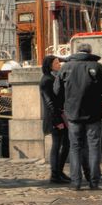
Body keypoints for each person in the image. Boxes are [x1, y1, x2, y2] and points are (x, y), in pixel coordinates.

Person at [55, 43, 102, 191]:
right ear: (90, 52)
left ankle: (76, 182)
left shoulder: (66, 67)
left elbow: (57, 90)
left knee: (75, 147)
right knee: (94, 147)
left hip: (73, 113)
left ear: (76, 52)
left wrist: (65, 103)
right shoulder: (97, 67)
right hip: (94, 113)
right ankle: (94, 181)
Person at [40, 54, 69, 185]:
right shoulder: (46, 80)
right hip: (54, 118)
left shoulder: (54, 78)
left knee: (65, 144)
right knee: (57, 145)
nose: (59, 65)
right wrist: (57, 121)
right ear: (50, 65)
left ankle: (59, 171)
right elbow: (49, 102)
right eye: (56, 63)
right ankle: (55, 174)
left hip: (60, 116)